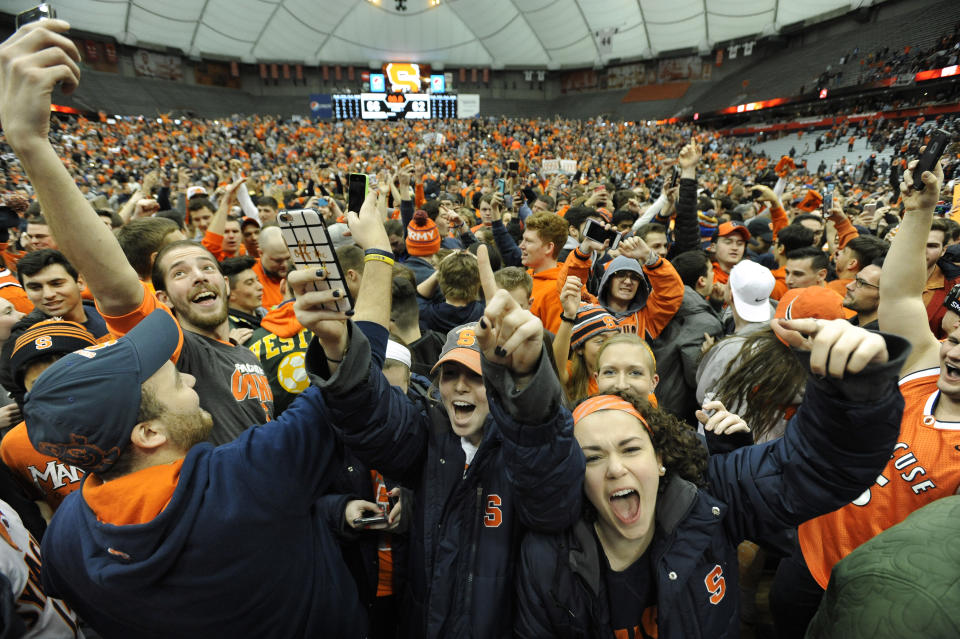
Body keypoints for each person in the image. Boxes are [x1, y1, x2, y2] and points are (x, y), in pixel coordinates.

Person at [514, 311, 909, 639]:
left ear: (661, 459)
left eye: (631, 449)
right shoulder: (546, 555)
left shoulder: (710, 500)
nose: (616, 468)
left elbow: (818, 468)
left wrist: (854, 391)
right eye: (593, 458)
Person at [309, 229, 585, 638]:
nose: (458, 386)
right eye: (449, 374)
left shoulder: (525, 449)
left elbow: (553, 499)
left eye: (475, 376)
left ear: (496, 383)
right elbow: (372, 417)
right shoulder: (429, 436)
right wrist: (339, 353)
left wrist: (527, 381)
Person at [0, 36, 275, 445]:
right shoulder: (179, 348)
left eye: (207, 267)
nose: (199, 276)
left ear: (226, 283)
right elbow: (116, 285)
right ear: (162, 299)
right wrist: (33, 145)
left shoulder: (245, 348)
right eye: (179, 271)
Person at [772, 158, 960, 637]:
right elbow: (899, 295)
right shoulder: (920, 370)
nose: (954, 351)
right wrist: (918, 212)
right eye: (955, 337)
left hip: (873, 592)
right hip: (809, 548)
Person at [650, 249, 723, 423]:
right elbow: (694, 377)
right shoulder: (705, 322)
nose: (715, 275)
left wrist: (715, 305)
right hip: (677, 413)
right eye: (711, 270)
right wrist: (708, 358)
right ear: (701, 280)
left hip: (654, 399)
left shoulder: (661, 305)